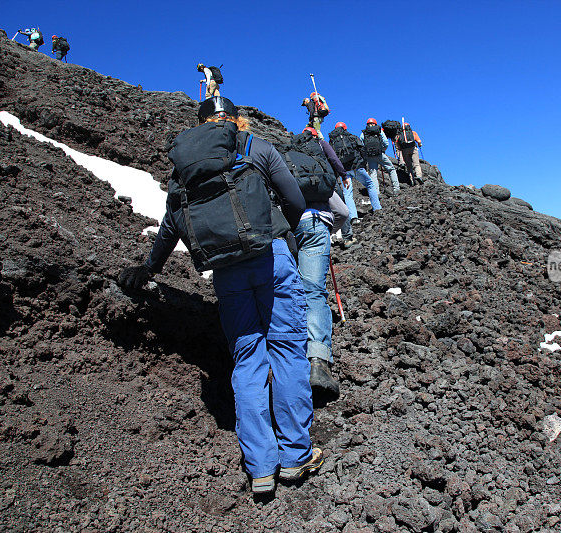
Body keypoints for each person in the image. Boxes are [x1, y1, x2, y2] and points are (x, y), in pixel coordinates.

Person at [117, 97, 322, 494]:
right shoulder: (254, 147)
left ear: (201, 124)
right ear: (236, 120)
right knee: (288, 352)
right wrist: (284, 231)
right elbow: (295, 199)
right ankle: (295, 457)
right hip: (270, 256)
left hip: (226, 272)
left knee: (247, 361)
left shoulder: (185, 169)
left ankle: (261, 468)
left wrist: (149, 268)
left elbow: (170, 224)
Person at [290, 126, 347, 399]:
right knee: (313, 291)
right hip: (317, 226)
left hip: (288, 229)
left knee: (286, 292)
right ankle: (318, 363)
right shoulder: (318, 166)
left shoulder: (285, 162)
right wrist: (330, 229)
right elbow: (343, 212)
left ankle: (286, 361)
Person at [329, 122, 382, 236]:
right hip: (357, 167)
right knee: (370, 184)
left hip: (344, 171)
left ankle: (353, 217)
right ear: (345, 128)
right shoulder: (352, 137)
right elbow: (362, 149)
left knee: (347, 194)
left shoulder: (332, 141)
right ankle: (377, 209)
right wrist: (364, 163)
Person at [360, 118, 400, 195]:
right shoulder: (379, 131)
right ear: (375, 123)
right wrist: (382, 149)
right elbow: (386, 142)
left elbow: (362, 146)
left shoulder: (363, 133)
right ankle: (396, 189)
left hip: (370, 156)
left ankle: (376, 193)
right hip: (380, 154)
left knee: (373, 173)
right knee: (391, 169)